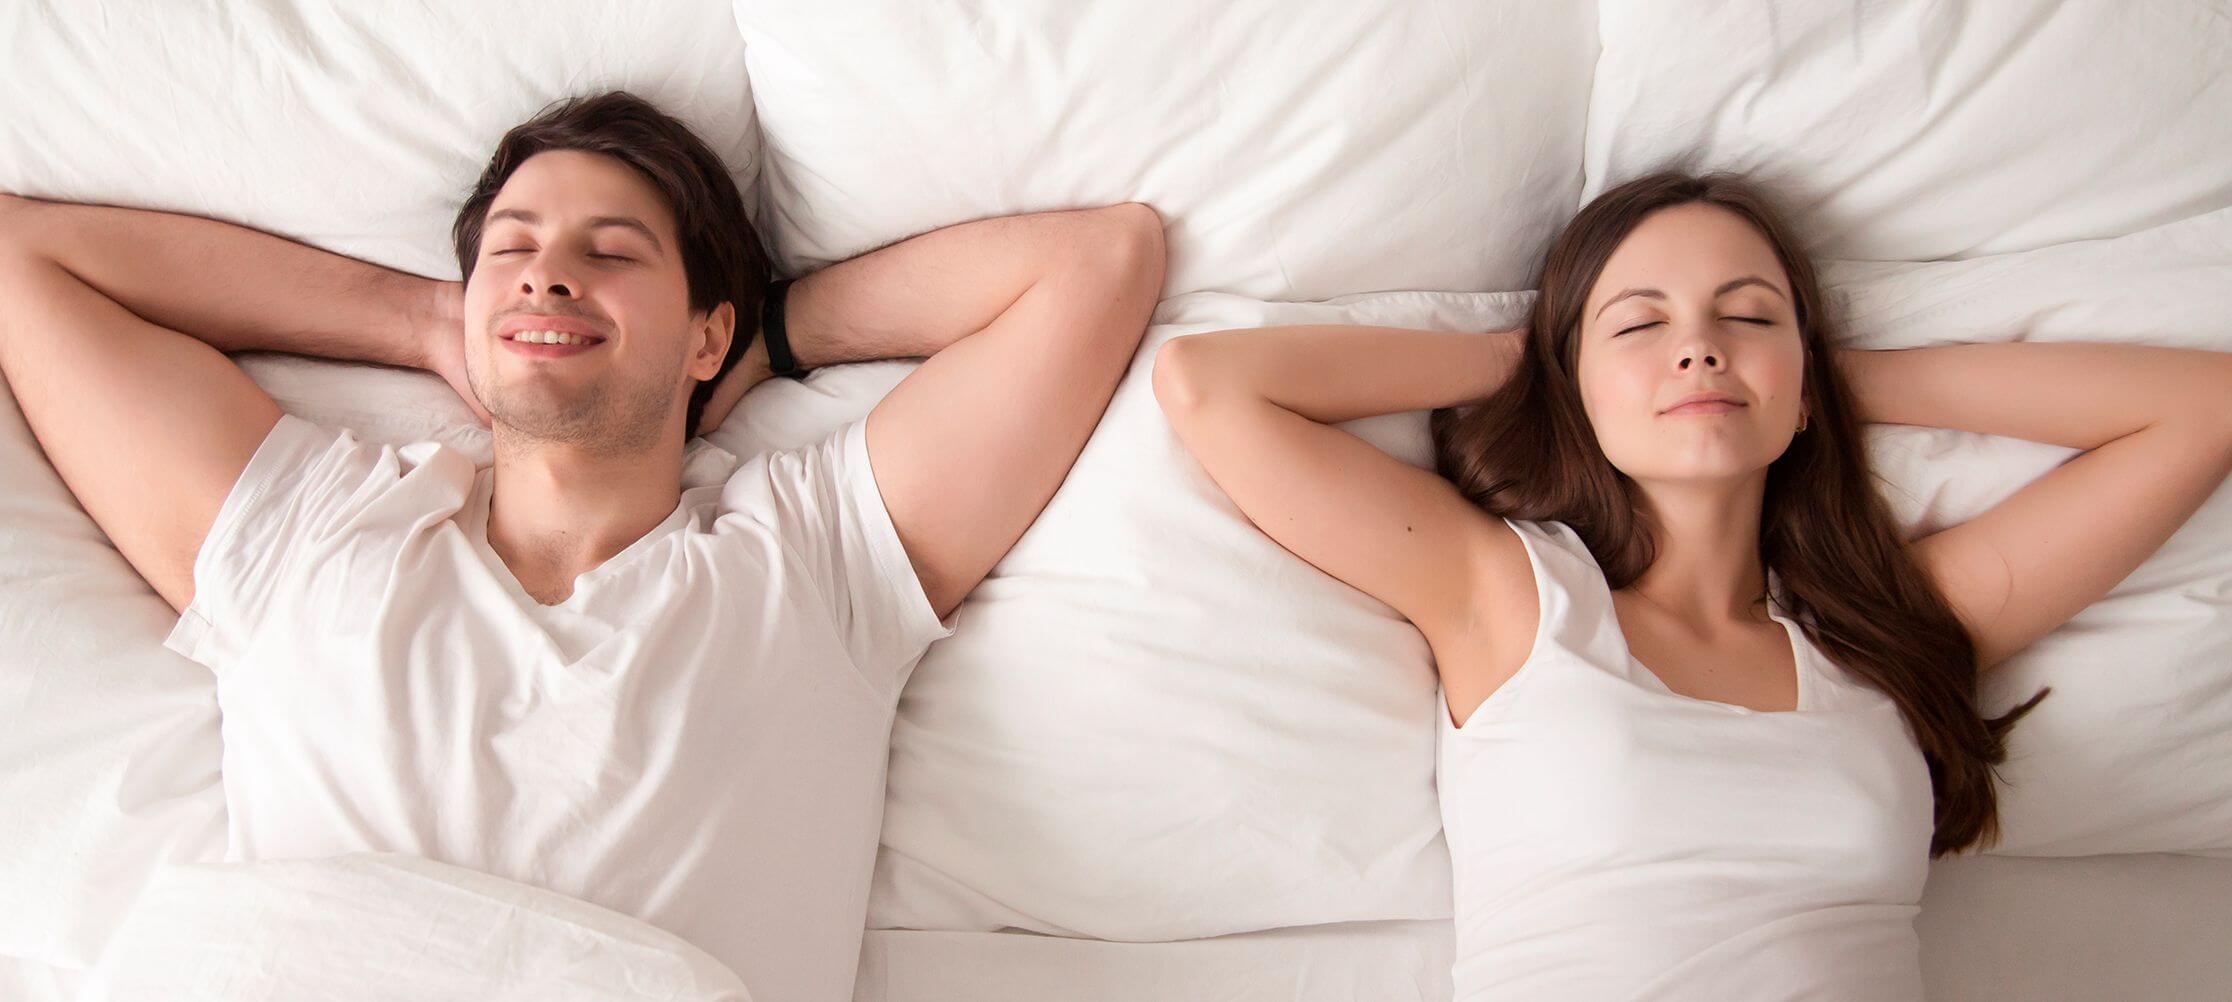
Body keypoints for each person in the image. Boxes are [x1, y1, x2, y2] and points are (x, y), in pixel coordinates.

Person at [0, 91, 1163, 1001]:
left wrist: (772, 329)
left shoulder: (816, 560)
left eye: (613, 253)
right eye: (512, 248)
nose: (549, 270)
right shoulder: (311, 532)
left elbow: (1100, 261)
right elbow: (20, 259)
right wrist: (418, 320)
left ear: (705, 330)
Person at [1152, 171, 2232, 999]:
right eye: (1640, 324)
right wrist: (1520, 365)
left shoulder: (1888, 633)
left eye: (1749, 316)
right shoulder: (1510, 596)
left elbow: (2202, 410)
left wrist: (1825, 380)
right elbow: (1211, 385)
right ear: (1576, 383)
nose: (1702, 349)